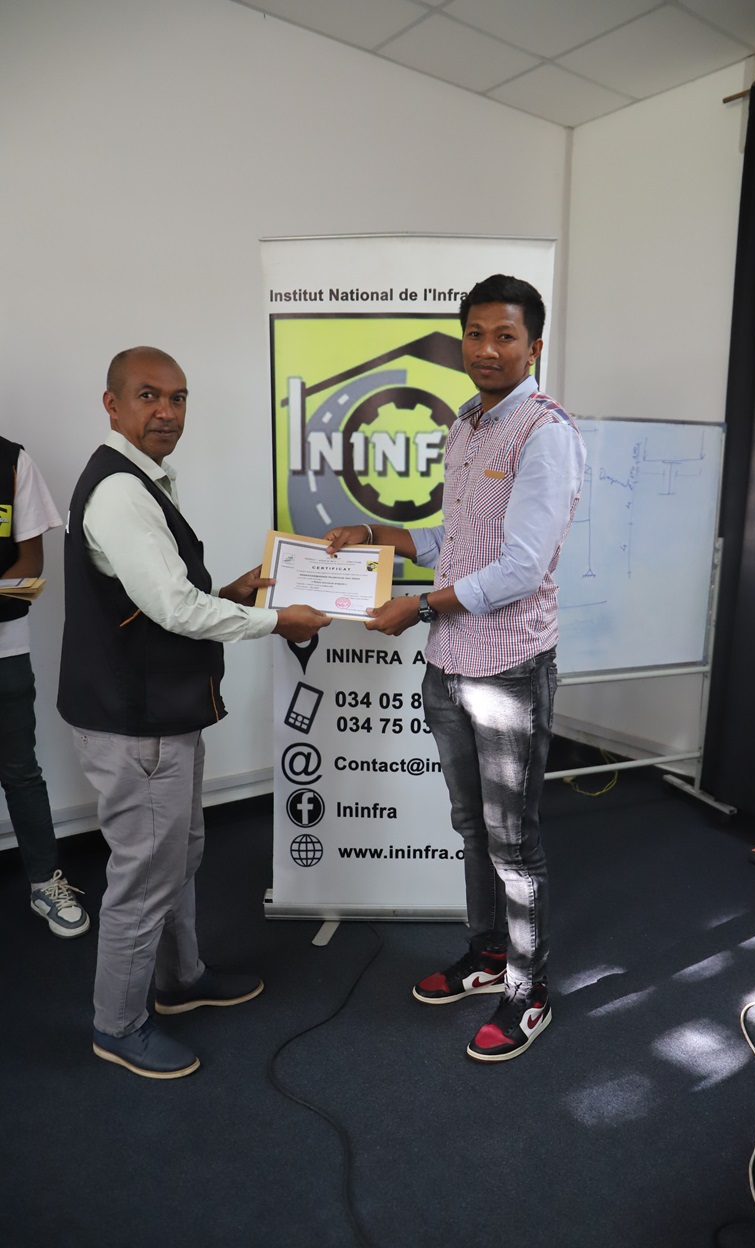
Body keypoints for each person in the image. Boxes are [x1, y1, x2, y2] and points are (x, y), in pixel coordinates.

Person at [325, 275, 586, 1063]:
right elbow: (459, 541)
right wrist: (382, 535)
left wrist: (419, 607)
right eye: (475, 334)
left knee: (514, 840)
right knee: (471, 826)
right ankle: (489, 954)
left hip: (508, 668)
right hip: (448, 664)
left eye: (505, 336)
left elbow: (522, 567)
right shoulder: (467, 423)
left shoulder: (545, 433)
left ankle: (530, 990)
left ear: (534, 346)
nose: (487, 349)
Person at [58, 346, 330, 1080]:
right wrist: (276, 620)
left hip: (160, 714)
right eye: (148, 396)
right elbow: (174, 609)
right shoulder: (119, 490)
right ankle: (118, 1026)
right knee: (146, 875)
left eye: (178, 398)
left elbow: (159, 595)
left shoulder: (144, 479)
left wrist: (235, 593)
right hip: (135, 723)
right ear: (112, 404)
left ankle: (179, 981)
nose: (167, 412)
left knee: (178, 856)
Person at [0, 436, 90, 937]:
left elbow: (30, 563)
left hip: (5, 652)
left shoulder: (11, 461)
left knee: (20, 773)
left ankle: (44, 883)